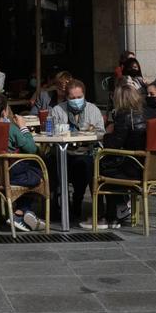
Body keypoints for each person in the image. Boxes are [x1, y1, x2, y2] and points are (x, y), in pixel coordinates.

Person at [95, 84, 156, 229]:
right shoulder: (153, 113)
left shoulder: (125, 116)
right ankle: (119, 210)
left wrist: (107, 133)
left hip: (136, 167)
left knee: (100, 165)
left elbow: (113, 145)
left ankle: (110, 213)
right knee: (109, 163)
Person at [0, 93, 44, 231]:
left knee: (30, 169)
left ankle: (23, 212)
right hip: (10, 174)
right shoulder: (10, 129)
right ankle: (21, 211)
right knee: (37, 169)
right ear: (4, 111)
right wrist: (23, 127)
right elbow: (31, 149)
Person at [48, 79, 104, 219]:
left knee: (84, 164)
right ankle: (57, 205)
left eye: (79, 97)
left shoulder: (93, 109)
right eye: (72, 98)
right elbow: (51, 132)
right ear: (67, 97)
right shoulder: (57, 110)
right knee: (51, 162)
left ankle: (78, 199)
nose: (76, 100)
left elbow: (101, 132)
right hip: (64, 150)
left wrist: (89, 133)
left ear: (84, 95)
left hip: (86, 150)